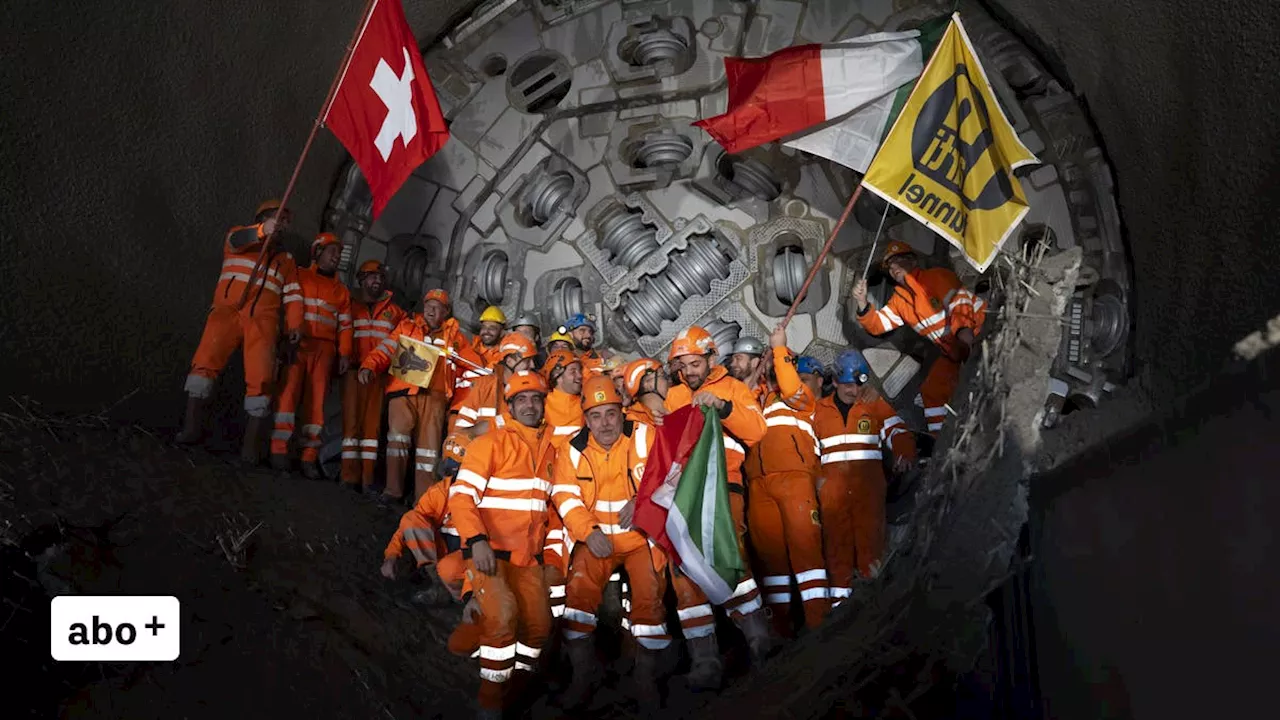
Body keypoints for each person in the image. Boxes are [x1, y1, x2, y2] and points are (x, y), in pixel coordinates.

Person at [447, 370, 558, 719]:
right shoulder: (489, 443)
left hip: (529, 559)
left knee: (539, 628)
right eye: (521, 399)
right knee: (504, 616)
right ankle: (490, 704)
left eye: (535, 398)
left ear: (543, 404)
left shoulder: (552, 449)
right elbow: (462, 496)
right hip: (489, 553)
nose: (529, 405)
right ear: (509, 406)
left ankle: (514, 682)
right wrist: (476, 541)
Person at [664, 325, 770, 689]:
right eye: (684, 365)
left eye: (695, 363)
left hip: (725, 484)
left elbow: (756, 431)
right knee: (685, 569)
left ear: (710, 358)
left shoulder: (733, 389)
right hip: (685, 495)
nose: (690, 371)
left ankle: (758, 639)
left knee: (729, 553)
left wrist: (722, 407)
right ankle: (704, 659)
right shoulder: (673, 397)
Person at [552, 376, 666, 709]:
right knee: (578, 600)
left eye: (611, 414)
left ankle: (645, 680)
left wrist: (643, 500)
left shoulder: (644, 436)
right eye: (596, 416)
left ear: (622, 412)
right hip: (597, 539)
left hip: (641, 538)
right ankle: (582, 678)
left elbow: (671, 471)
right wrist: (589, 532)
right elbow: (565, 496)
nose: (605, 423)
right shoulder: (571, 450)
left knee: (650, 598)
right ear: (585, 419)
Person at [177, 199, 302, 463]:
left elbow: (292, 296)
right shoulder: (239, 236)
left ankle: (249, 448)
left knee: (262, 380)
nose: (281, 225)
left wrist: (294, 326)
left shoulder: (286, 260)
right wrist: (260, 232)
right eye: (276, 218)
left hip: (264, 323)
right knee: (204, 365)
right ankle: (191, 429)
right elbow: (237, 240)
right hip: (227, 313)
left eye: (285, 221)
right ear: (262, 218)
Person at [743, 326, 830, 637]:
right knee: (771, 562)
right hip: (759, 484)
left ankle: (819, 624)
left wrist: (780, 349)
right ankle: (781, 630)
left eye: (781, 364)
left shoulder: (800, 398)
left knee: (806, 551)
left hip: (795, 479)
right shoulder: (757, 400)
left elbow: (791, 385)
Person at [850, 240, 987, 435]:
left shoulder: (937, 277)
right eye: (889, 266)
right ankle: (939, 440)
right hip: (955, 350)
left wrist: (967, 342)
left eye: (898, 261)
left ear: (912, 260)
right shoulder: (900, 301)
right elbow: (878, 325)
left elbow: (961, 305)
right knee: (932, 390)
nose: (893, 268)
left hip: (980, 335)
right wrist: (863, 303)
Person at [812, 349, 916, 606]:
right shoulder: (819, 412)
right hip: (832, 497)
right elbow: (807, 451)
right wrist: (815, 481)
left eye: (858, 385)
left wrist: (904, 454)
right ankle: (838, 612)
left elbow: (898, 431)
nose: (853, 392)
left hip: (868, 493)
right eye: (847, 385)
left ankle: (874, 608)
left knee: (872, 549)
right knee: (836, 553)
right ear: (834, 382)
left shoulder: (873, 404)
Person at [359, 288, 470, 504]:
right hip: (403, 392)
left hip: (435, 397)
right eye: (428, 305)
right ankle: (392, 491)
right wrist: (369, 367)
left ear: (445, 312)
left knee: (428, 452)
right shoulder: (407, 327)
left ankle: (423, 501)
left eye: (437, 307)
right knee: (397, 441)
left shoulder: (455, 338)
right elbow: (385, 350)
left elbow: (471, 364)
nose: (431, 310)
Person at [269, 233, 353, 477]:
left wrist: (345, 354)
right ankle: (278, 451)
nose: (336, 257)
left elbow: (345, 326)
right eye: (332, 252)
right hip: (298, 345)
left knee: (316, 405)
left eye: (338, 253)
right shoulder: (299, 276)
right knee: (287, 397)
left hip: (325, 350)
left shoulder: (341, 291)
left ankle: (308, 457)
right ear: (317, 252)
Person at [341, 260, 406, 490]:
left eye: (379, 277)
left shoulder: (395, 312)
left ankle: (367, 480)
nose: (376, 281)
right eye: (371, 276)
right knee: (351, 425)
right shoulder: (348, 305)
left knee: (372, 429)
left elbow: (408, 334)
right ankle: (349, 477)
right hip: (352, 371)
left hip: (379, 376)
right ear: (361, 279)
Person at [452, 333, 539, 438]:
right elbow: (460, 432)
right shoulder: (483, 386)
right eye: (527, 361)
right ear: (509, 360)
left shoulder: (535, 388)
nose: (533, 365)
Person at [541, 350, 584, 439]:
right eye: (573, 371)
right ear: (557, 376)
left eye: (580, 371)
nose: (580, 376)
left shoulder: (586, 404)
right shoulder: (541, 406)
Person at [620, 358, 668, 426]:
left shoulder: (667, 410)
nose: (667, 380)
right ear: (648, 384)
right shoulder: (636, 424)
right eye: (662, 376)